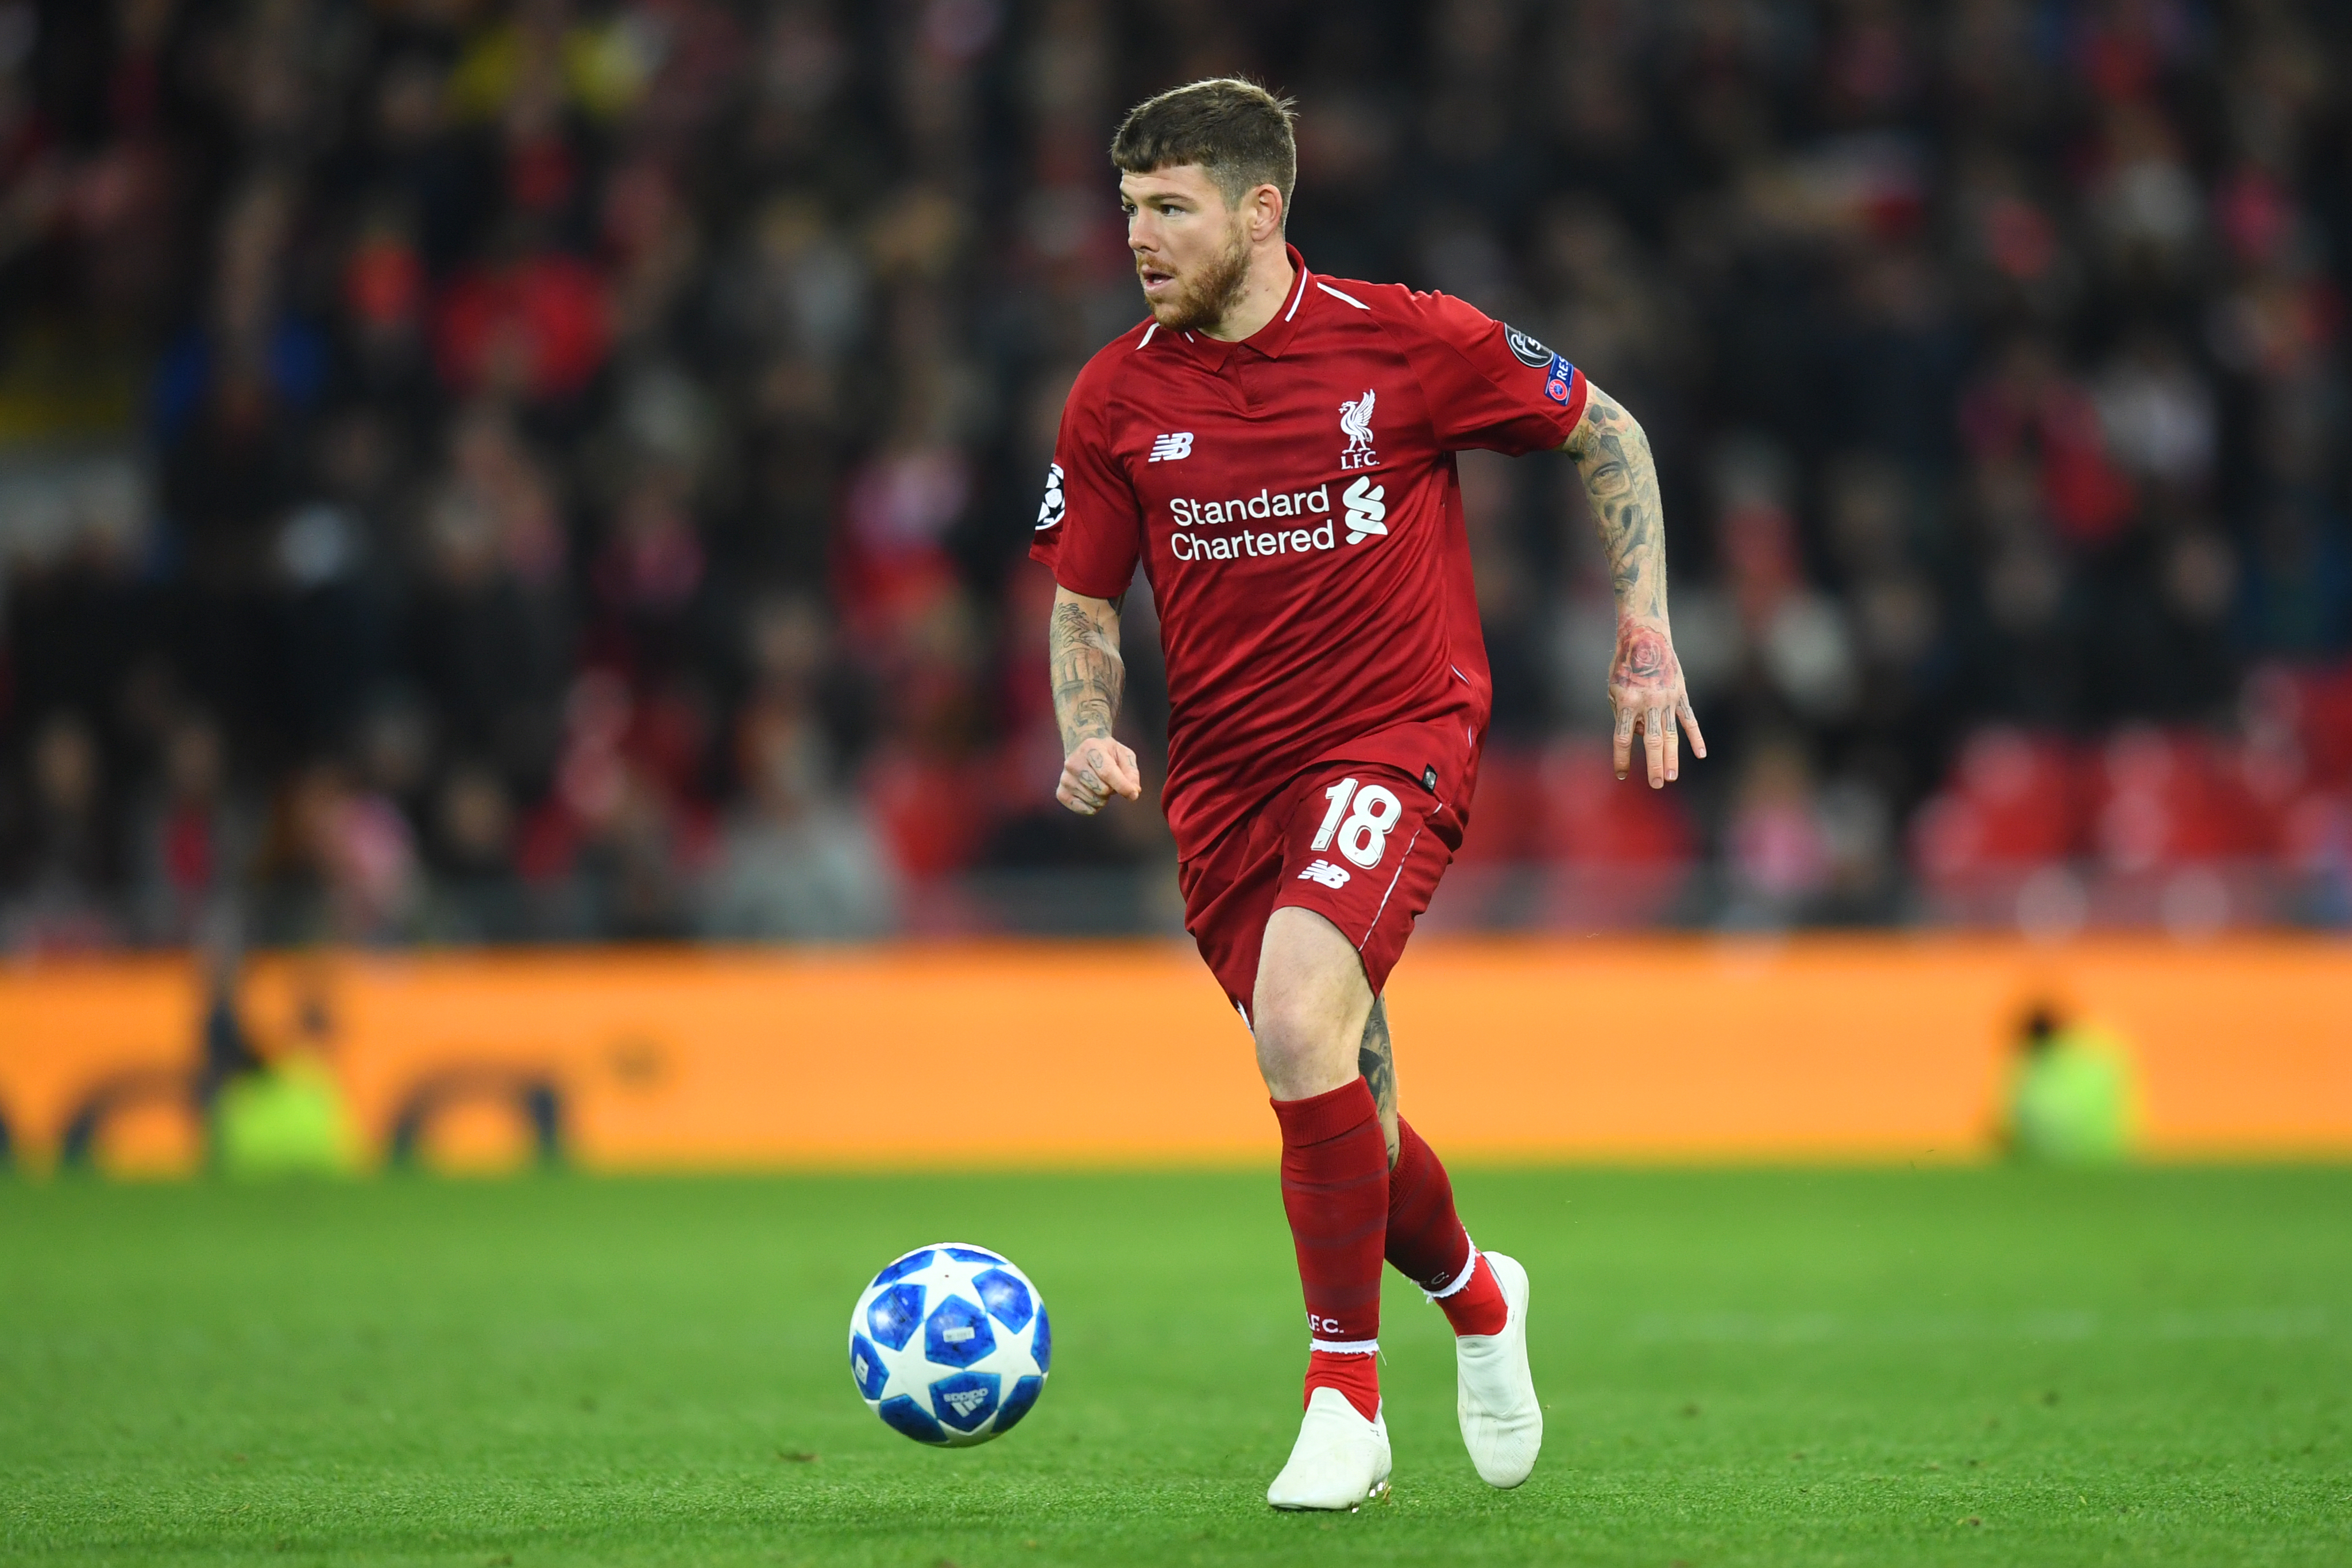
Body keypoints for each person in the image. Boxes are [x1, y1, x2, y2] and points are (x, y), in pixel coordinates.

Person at [1030, 80, 1705, 1510]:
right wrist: (1084, 729)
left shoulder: (1401, 339)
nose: (1139, 239)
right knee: (1339, 1098)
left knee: (1292, 1023)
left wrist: (1641, 630)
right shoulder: (1112, 394)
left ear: (1259, 210)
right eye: (1129, 210)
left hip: (1390, 738)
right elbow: (1082, 602)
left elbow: (1611, 434)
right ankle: (1478, 1297)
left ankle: (1344, 1395)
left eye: (1170, 208)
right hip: (1221, 790)